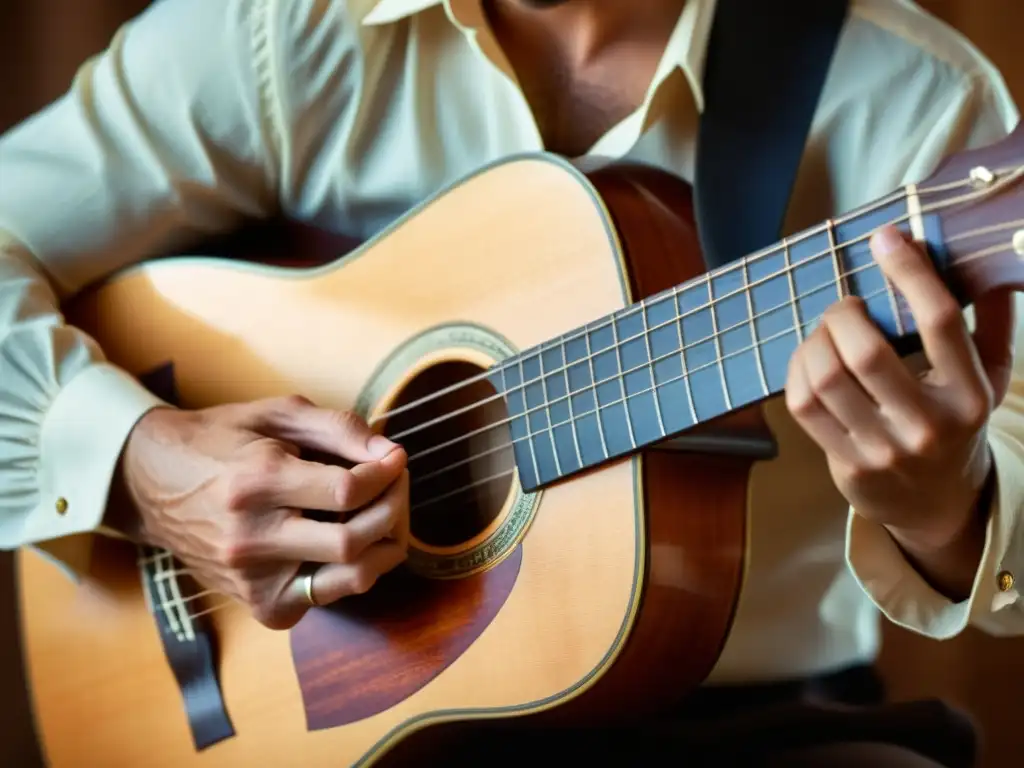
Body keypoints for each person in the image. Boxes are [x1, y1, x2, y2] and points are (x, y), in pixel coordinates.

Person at [1, 0, 1023, 765]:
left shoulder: (916, 102)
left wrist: (949, 509)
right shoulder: (283, 28)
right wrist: (136, 467)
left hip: (748, 729)